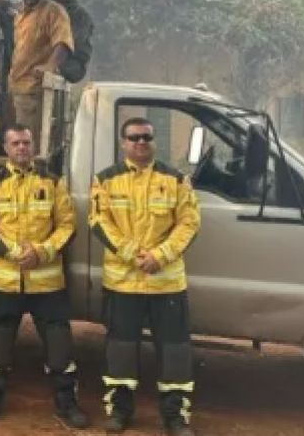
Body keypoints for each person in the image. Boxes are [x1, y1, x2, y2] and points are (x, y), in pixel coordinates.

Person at [0, 124, 87, 428]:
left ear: (33, 146)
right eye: (15, 143)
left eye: (26, 142)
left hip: (46, 281)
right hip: (4, 280)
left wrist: (42, 252)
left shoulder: (52, 182)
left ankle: (67, 402)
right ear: (5, 149)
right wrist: (13, 252)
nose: (22, 148)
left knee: (59, 345)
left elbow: (67, 226)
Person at [90, 117, 200, 436]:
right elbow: (100, 222)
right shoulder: (105, 180)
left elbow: (189, 223)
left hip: (166, 282)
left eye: (147, 138)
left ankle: (175, 417)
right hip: (123, 282)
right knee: (121, 349)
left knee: (175, 351)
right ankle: (120, 412)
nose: (141, 143)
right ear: (123, 142)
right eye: (134, 138)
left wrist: (160, 256)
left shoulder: (176, 179)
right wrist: (132, 254)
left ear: (154, 142)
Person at [9, 0, 73, 155]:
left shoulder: (53, 11)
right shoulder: (21, 15)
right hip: (17, 86)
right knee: (16, 141)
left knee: (29, 145)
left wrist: (50, 66)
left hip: (34, 88)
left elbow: (63, 41)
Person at [46, 0, 94, 84]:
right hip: (47, 58)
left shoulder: (80, 15)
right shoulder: (44, 11)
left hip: (71, 63)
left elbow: (70, 44)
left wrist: (49, 64)